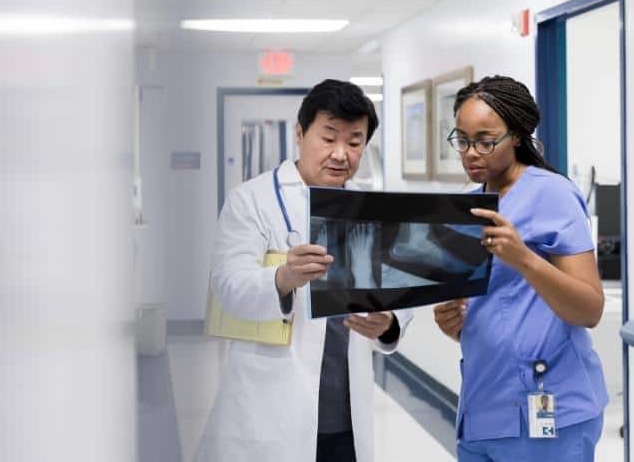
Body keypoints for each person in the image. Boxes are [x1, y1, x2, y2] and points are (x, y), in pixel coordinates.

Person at [195, 79, 413, 462]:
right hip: (271, 405)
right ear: (300, 133)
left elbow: (398, 290)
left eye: (355, 141)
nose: (341, 154)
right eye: (328, 138)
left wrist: (390, 321)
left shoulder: (371, 209)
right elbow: (228, 287)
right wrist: (282, 279)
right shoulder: (252, 200)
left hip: (345, 408)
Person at [433, 75, 607, 462]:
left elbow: (590, 309)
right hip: (482, 406)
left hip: (549, 411)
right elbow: (489, 307)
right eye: (461, 139)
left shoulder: (553, 194)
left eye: (485, 140)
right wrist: (452, 321)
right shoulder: (468, 203)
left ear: (517, 135)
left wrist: (524, 259)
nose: (471, 153)